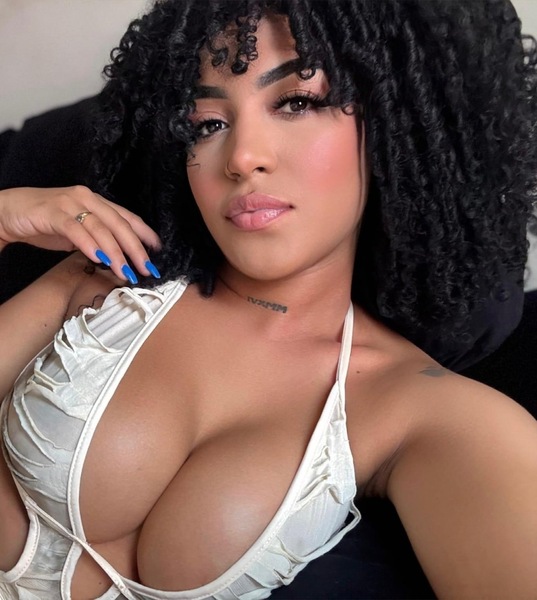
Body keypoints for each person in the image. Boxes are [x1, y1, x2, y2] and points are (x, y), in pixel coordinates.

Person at [0, 1, 537, 598]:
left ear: (397, 121)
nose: (241, 158)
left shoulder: (417, 407)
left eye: (296, 103)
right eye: (207, 123)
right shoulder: (109, 284)